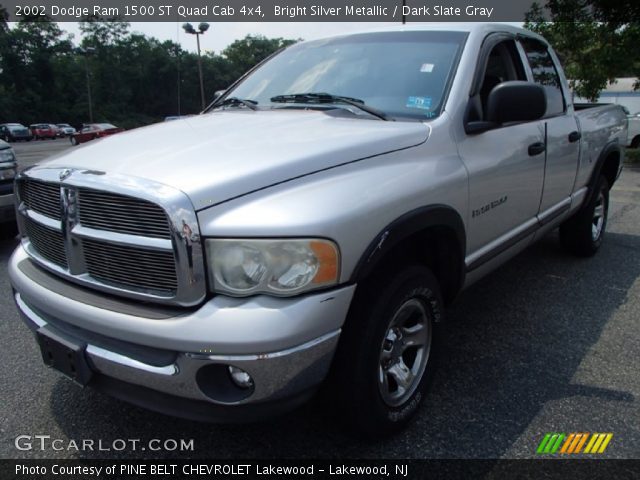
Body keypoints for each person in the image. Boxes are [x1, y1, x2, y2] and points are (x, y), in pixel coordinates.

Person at [182, 220, 195, 285]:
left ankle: (193, 277)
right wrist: (185, 231)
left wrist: (188, 228)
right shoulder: (184, 234)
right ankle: (190, 278)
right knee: (189, 264)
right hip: (187, 248)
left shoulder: (189, 233)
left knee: (191, 264)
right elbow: (183, 234)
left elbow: (191, 232)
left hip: (190, 247)